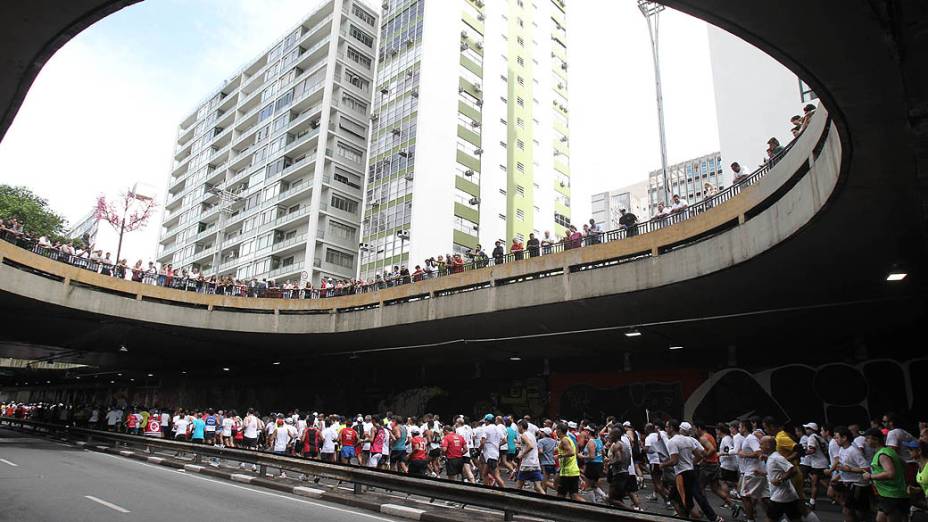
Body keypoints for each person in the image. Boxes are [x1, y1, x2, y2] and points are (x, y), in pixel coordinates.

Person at [662, 420, 721, 522]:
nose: (666, 429)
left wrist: (663, 464)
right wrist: (690, 463)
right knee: (696, 496)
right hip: (691, 471)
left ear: (672, 428)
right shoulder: (689, 440)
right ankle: (714, 518)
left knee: (679, 499)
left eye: (667, 427)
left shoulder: (672, 442)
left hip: (681, 474)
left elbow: (674, 461)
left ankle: (690, 517)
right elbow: (699, 455)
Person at [862, 428, 909, 522]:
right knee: (880, 519)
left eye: (867, 438)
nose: (865, 441)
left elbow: (890, 473)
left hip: (892, 494)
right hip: (890, 493)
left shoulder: (883, 454)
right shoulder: (888, 450)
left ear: (876, 439)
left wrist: (871, 476)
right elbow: (904, 465)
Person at [833, 425, 872, 522]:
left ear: (844, 438)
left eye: (837, 437)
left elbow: (866, 469)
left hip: (858, 484)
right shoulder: (842, 449)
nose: (835, 440)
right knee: (851, 510)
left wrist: (849, 469)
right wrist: (837, 477)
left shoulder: (853, 451)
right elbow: (843, 467)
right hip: (849, 483)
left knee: (849, 510)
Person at [761, 435, 803, 522]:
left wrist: (780, 480)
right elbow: (775, 472)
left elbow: (793, 469)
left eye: (761, 444)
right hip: (786, 496)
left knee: (770, 519)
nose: (759, 446)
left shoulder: (776, 457)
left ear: (768, 446)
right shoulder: (772, 457)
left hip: (781, 496)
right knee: (795, 518)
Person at [515, 420, 546, 494]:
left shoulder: (523, 435)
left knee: (518, 486)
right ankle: (547, 501)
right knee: (537, 487)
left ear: (521, 426)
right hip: (535, 463)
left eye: (518, 427)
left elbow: (530, 446)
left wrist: (521, 454)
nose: (517, 429)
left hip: (527, 464)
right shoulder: (531, 435)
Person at [556, 423, 584, 501]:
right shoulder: (569, 439)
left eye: (556, 430)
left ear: (559, 430)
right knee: (574, 495)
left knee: (560, 495)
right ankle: (589, 509)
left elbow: (571, 452)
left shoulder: (565, 440)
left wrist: (559, 456)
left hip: (567, 472)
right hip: (573, 471)